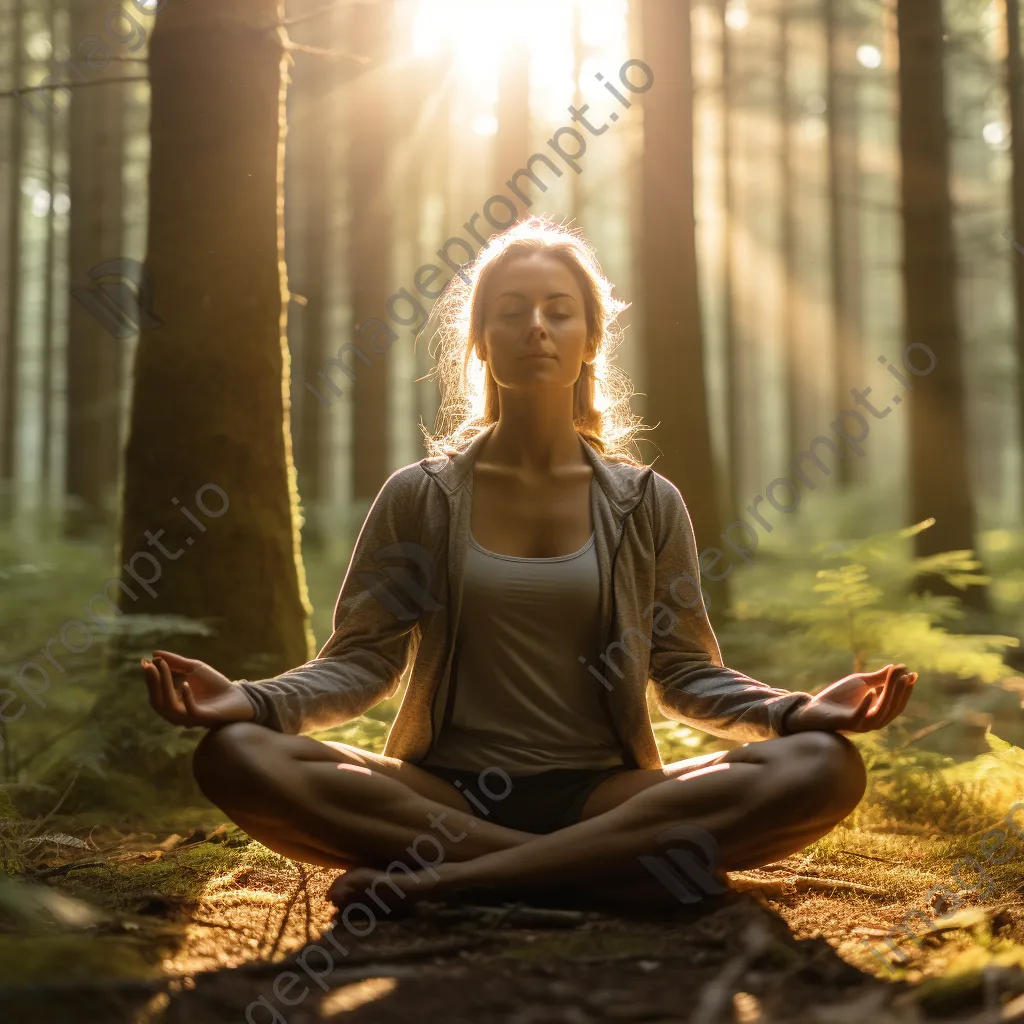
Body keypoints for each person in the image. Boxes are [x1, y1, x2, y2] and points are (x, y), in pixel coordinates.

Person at [140, 217, 916, 916]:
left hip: (606, 797)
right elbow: (358, 664)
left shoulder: (647, 503)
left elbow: (685, 674)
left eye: (557, 310)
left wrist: (796, 713)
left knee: (823, 766)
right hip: (439, 794)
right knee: (237, 754)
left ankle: (450, 882)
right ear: (479, 338)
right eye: (511, 311)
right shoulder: (422, 497)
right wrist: (246, 700)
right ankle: (599, 875)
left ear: (589, 338)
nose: (535, 328)